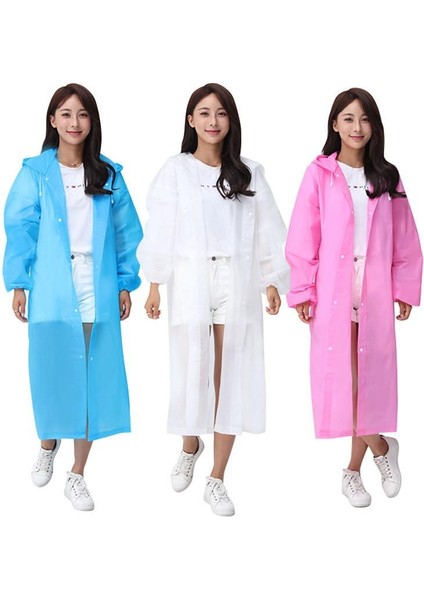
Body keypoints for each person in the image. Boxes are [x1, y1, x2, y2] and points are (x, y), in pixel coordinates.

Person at [139, 83, 289, 516]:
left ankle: (217, 477)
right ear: (191, 120)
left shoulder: (249, 172)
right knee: (192, 367)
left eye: (221, 113)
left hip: (235, 279)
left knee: (231, 374)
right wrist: (155, 282)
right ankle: (190, 443)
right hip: (190, 277)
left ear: (231, 121)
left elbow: (267, 228)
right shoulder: (176, 170)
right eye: (204, 113)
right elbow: (161, 227)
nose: (212, 121)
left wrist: (271, 280)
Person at [3, 83, 143, 511]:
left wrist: (124, 282)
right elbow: (19, 228)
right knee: (49, 369)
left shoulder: (108, 174)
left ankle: (77, 473)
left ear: (92, 121)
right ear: (52, 120)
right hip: (50, 283)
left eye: (82, 114)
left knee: (91, 375)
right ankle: (49, 442)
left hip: (95, 283)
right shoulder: (35, 173)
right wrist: (19, 283)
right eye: (66, 114)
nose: (74, 122)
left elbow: (126, 233)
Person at [285, 87, 422, 507]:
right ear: (335, 124)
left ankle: (352, 471)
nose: (357, 127)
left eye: (364, 119)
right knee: (346, 381)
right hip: (333, 288)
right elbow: (303, 235)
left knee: (368, 380)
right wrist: (303, 289)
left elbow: (405, 236)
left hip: (375, 286)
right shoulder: (320, 174)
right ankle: (381, 447)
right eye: (348, 118)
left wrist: (405, 287)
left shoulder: (387, 177)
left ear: (374, 126)